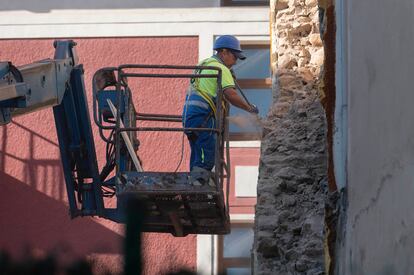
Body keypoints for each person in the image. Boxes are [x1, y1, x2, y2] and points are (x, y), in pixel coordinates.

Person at [182, 35, 259, 185]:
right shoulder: (220, 69)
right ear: (224, 52)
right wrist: (249, 108)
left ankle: (195, 181)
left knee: (198, 152)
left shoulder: (203, 64)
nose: (235, 61)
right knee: (207, 151)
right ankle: (199, 185)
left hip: (189, 116)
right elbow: (230, 94)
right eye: (235, 56)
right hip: (204, 115)